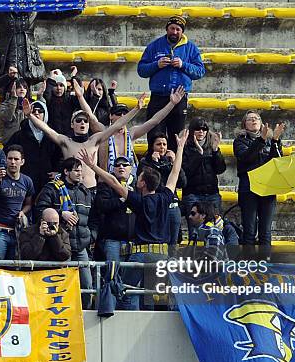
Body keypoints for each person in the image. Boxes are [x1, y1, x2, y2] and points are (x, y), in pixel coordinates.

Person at [79, 129, 189, 310]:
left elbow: (113, 183)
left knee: (127, 291)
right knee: (154, 294)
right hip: (161, 254)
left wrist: (92, 166)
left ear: (143, 183)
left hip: (141, 253)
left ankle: (129, 324)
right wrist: (181, 147)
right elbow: (174, 174)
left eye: (139, 178)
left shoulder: (139, 200)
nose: (136, 179)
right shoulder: (166, 197)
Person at [24, 94, 141, 189]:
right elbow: (47, 129)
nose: (82, 123)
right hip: (71, 190)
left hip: (91, 189)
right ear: (72, 124)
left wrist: (136, 109)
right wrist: (30, 115)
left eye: (85, 121)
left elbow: (118, 125)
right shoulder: (66, 141)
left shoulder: (95, 139)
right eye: (79, 120)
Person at [80, 79, 185, 174]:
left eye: (124, 113)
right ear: (110, 116)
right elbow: (91, 117)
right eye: (118, 113)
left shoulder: (132, 133)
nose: (122, 116)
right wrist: (80, 96)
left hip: (129, 180)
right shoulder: (104, 132)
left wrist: (172, 104)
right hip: (107, 181)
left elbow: (155, 121)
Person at [137, 15, 205, 151]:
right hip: (158, 97)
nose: (174, 32)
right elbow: (141, 70)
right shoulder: (154, 46)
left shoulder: (191, 48)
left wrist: (183, 64)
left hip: (179, 98)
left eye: (178, 29)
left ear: (182, 31)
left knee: (176, 137)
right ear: (167, 29)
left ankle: (175, 167)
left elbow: (200, 71)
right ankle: (154, 165)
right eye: (172, 28)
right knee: (154, 134)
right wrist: (156, 64)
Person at [35, 157, 95, 308]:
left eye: (81, 170)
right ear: (66, 171)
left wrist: (91, 236)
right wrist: (61, 213)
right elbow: (39, 210)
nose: (79, 173)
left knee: (87, 286)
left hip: (81, 246)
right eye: (76, 170)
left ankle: (85, 314)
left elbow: (94, 217)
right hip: (59, 246)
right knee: (62, 285)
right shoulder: (51, 188)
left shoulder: (85, 192)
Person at [233, 111, 285, 249]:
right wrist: (260, 140)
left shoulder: (270, 140)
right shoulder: (240, 141)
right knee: (249, 231)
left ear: (261, 123)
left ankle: (265, 265)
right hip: (248, 188)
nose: (254, 120)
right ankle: (248, 265)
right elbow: (246, 158)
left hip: (267, 188)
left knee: (265, 232)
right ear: (245, 124)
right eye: (250, 119)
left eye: (256, 118)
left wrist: (275, 141)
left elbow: (277, 161)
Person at [136, 132, 187, 252]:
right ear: (152, 146)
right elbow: (151, 183)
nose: (162, 147)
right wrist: (155, 164)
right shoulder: (145, 162)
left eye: (164, 144)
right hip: (156, 207)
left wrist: (173, 162)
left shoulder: (170, 162)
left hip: (172, 208)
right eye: (159, 144)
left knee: (173, 245)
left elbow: (182, 182)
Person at [0, 144, 34, 260]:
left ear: (22, 162)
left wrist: (22, 212)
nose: (12, 162)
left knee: (13, 271)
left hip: (16, 233)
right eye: (10, 158)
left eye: (16, 159)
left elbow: (29, 204)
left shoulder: (27, 181)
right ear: (5, 160)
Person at [5, 100, 61, 195]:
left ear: (45, 114)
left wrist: (59, 172)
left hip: (47, 183)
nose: (36, 113)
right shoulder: (19, 136)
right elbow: (7, 153)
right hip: (24, 182)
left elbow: (60, 156)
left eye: (40, 111)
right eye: (34, 111)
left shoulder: (53, 136)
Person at [181, 116, 226, 233]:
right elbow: (186, 172)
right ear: (192, 131)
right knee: (194, 232)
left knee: (215, 230)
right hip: (192, 194)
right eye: (197, 129)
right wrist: (199, 155)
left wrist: (216, 151)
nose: (201, 131)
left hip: (212, 193)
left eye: (204, 129)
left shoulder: (212, 147)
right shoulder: (184, 147)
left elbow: (220, 169)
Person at [93, 155, 136, 261]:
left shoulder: (138, 186)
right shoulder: (105, 185)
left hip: (134, 241)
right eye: (117, 165)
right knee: (112, 274)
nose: (121, 167)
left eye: (125, 165)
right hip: (112, 240)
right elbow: (102, 205)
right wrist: (122, 199)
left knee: (129, 275)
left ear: (131, 168)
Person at [43, 68, 79, 136]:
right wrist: (51, 79)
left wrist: (73, 77)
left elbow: (80, 94)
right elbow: (46, 94)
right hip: (52, 136)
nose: (58, 88)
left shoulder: (70, 99)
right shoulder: (49, 100)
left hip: (68, 136)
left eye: (61, 85)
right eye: (55, 85)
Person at [0, 78, 31, 143]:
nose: (22, 89)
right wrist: (14, 99)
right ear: (13, 89)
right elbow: (7, 118)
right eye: (19, 87)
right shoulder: (5, 105)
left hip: (27, 142)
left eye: (24, 87)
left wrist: (40, 96)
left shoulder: (31, 104)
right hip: (10, 142)